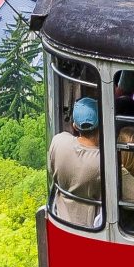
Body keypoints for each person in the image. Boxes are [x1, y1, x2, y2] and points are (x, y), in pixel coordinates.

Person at [49, 96, 105, 227]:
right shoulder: (103, 162)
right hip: (92, 229)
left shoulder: (58, 142)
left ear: (74, 126)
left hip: (61, 221)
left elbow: (52, 171)